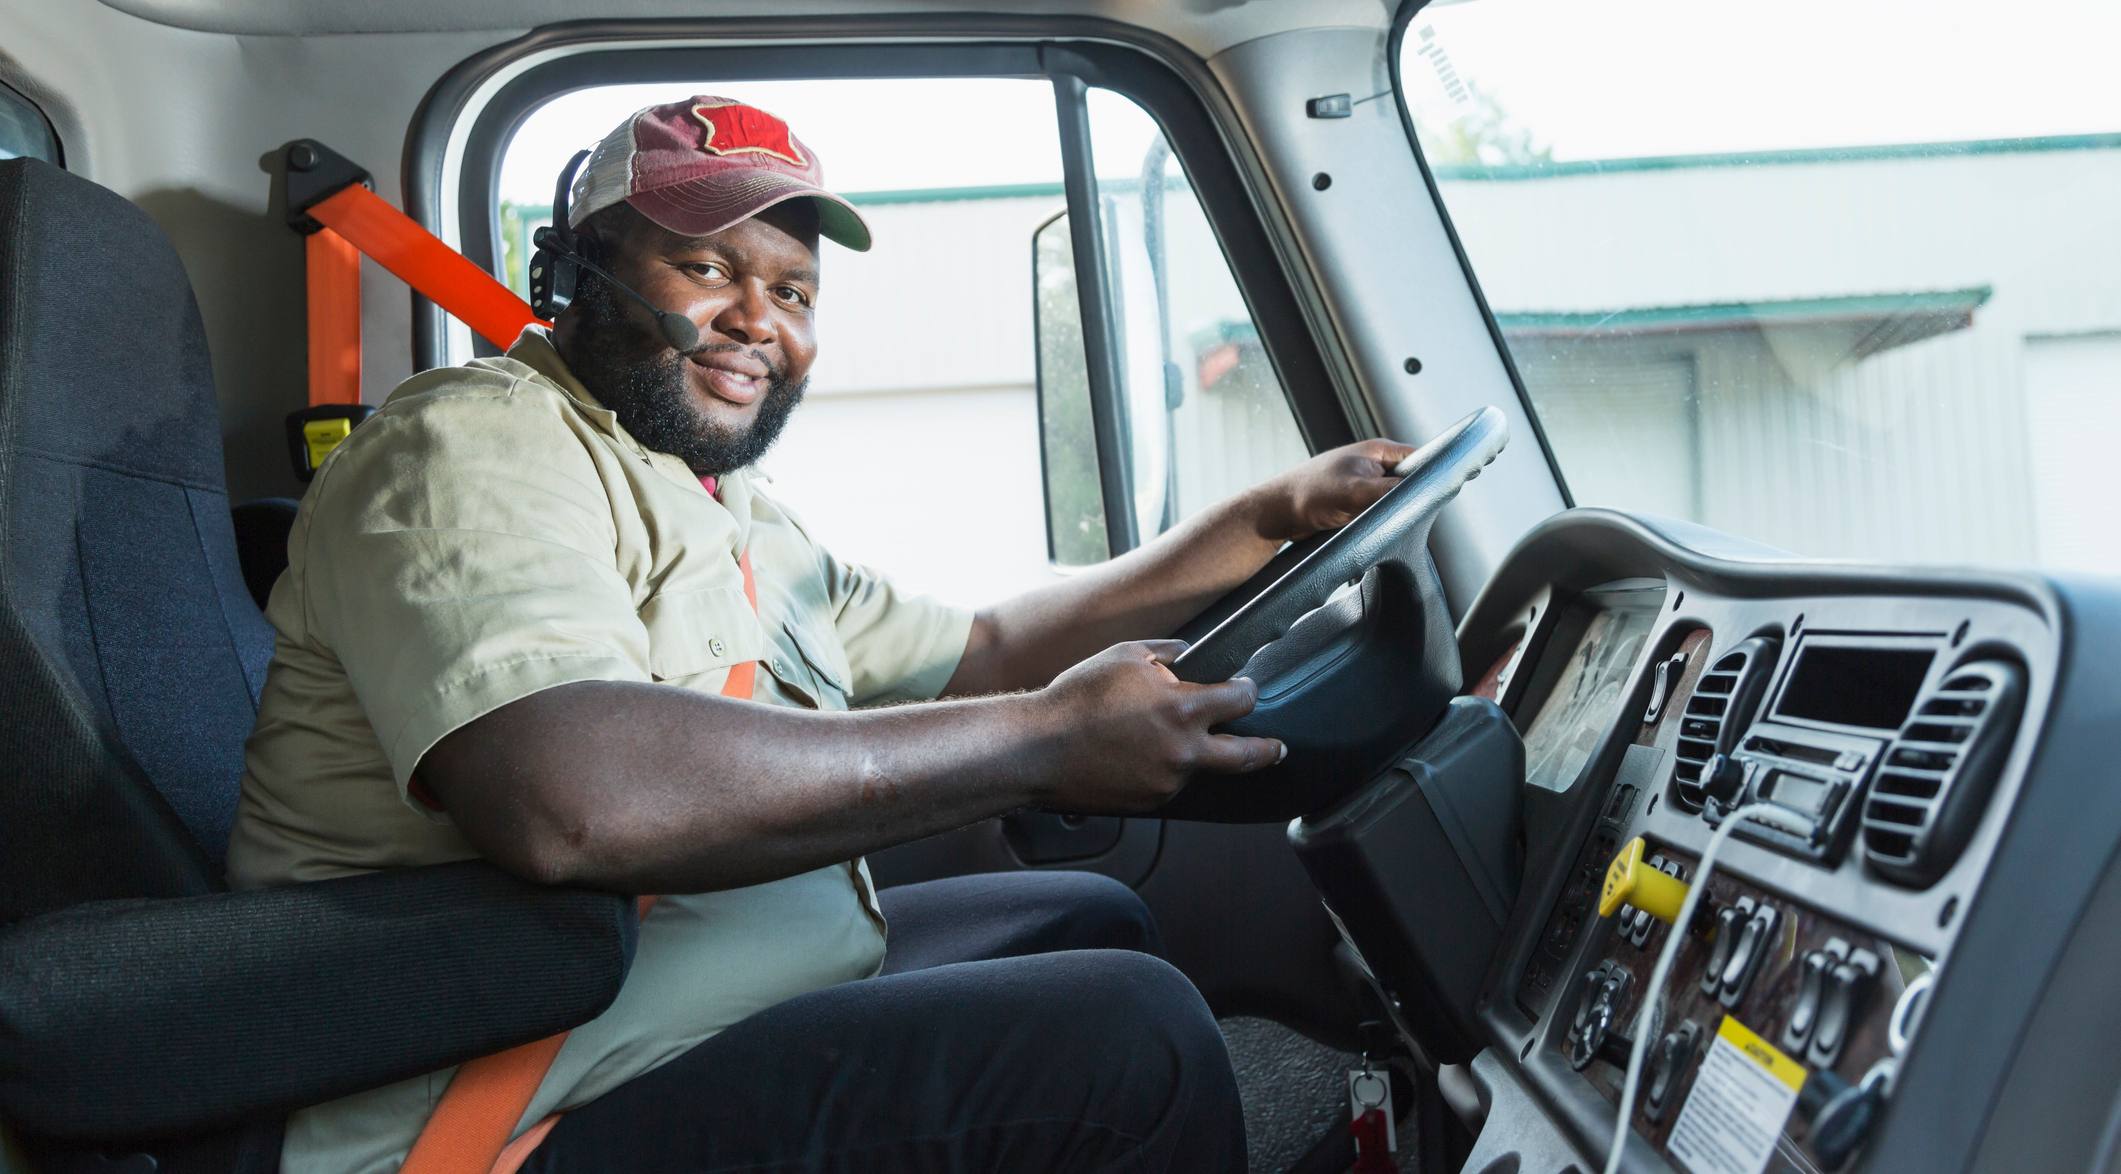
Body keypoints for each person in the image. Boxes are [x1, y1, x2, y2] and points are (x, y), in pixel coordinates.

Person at [228, 96, 1415, 1174]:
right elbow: (569, 794)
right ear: (577, 273)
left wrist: (1266, 518)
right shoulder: (473, 449)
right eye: (707, 265)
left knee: (1087, 919)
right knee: (1134, 1044)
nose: (759, 319)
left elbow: (989, 646)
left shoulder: (723, 505)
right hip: (516, 1115)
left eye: (793, 290)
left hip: (693, 1011)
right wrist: (1045, 742)